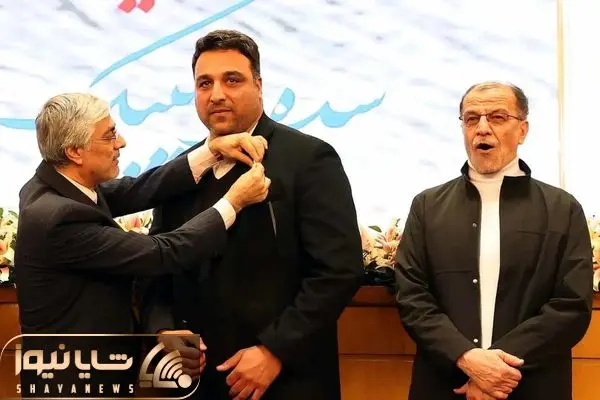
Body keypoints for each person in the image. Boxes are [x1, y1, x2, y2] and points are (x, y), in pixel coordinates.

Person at [141, 30, 364, 400]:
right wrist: (164, 334)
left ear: (259, 86)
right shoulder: (183, 171)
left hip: (285, 381)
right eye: (204, 83)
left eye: (232, 80)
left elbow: (338, 271)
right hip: (190, 383)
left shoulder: (309, 159)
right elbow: (156, 270)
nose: (217, 94)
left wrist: (274, 350)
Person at [394, 81, 593, 400]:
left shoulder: (562, 209)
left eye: (498, 117)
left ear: (523, 130)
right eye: (472, 119)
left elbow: (570, 305)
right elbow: (412, 296)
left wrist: (495, 370)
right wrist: (466, 358)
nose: (483, 128)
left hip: (530, 384)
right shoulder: (428, 207)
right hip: (447, 382)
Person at [15, 92, 270, 336]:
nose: (121, 142)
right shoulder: (59, 218)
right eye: (109, 136)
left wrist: (212, 151)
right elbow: (163, 253)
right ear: (74, 152)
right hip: (78, 364)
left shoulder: (55, 184)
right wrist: (233, 202)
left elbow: (137, 189)